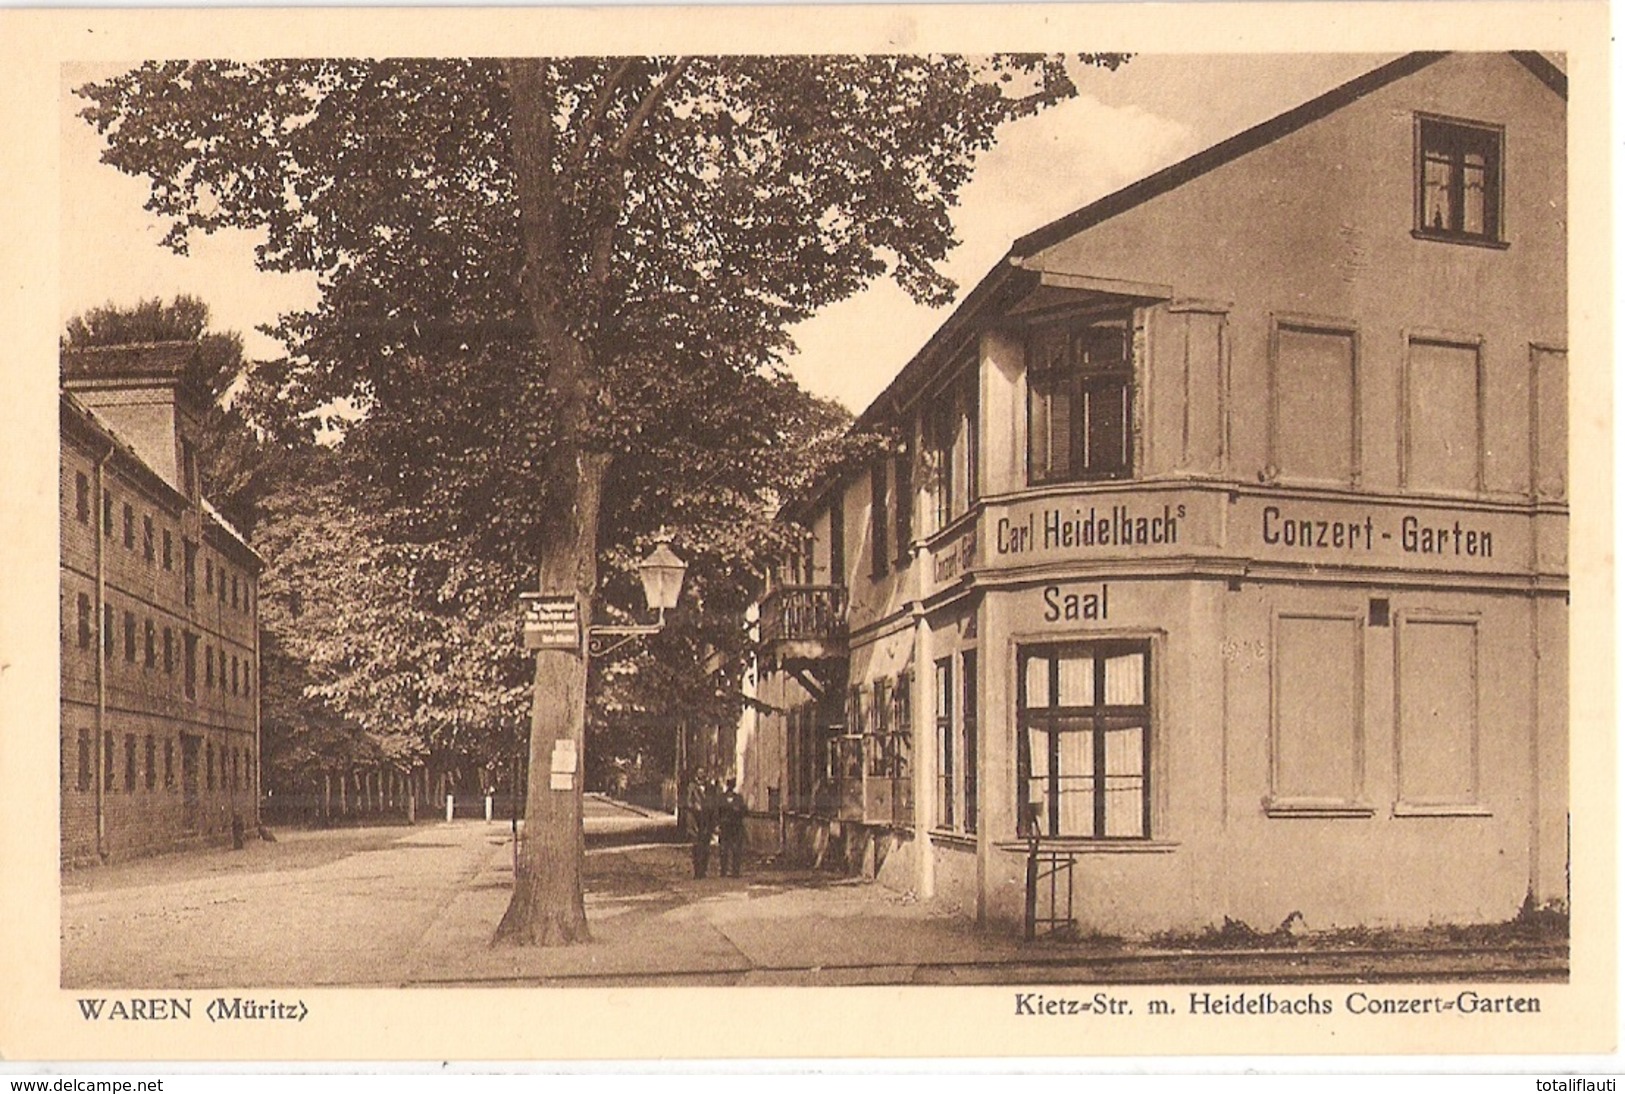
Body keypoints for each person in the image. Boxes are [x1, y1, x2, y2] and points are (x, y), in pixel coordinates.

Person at [716, 777, 747, 878]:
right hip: (724, 827)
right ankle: (723, 871)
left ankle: (735, 871)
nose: (730, 787)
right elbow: (717, 813)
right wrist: (717, 825)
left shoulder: (738, 798)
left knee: (736, 849)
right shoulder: (721, 798)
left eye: (732, 785)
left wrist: (738, 811)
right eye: (729, 784)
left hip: (736, 827)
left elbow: (744, 812)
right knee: (723, 850)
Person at [688, 773, 716, 879]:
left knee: (705, 846)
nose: (701, 775)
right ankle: (697, 871)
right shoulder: (692, 787)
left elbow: (713, 803)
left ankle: (704, 870)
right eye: (699, 773)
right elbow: (688, 801)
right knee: (696, 846)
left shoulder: (710, 788)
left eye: (703, 773)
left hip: (706, 820)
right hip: (695, 820)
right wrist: (695, 806)